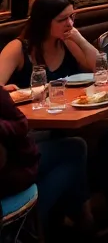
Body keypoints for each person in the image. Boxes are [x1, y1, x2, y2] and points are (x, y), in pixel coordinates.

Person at [0, 88, 91, 229]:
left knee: (57, 138)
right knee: (76, 148)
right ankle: (32, 222)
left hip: (11, 159)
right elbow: (21, 124)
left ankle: (61, 218)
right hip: (10, 174)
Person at [0, 0, 100, 88]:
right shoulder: (17, 48)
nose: (70, 23)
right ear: (43, 23)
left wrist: (80, 40)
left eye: (71, 16)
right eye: (62, 19)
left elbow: (100, 69)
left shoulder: (68, 40)